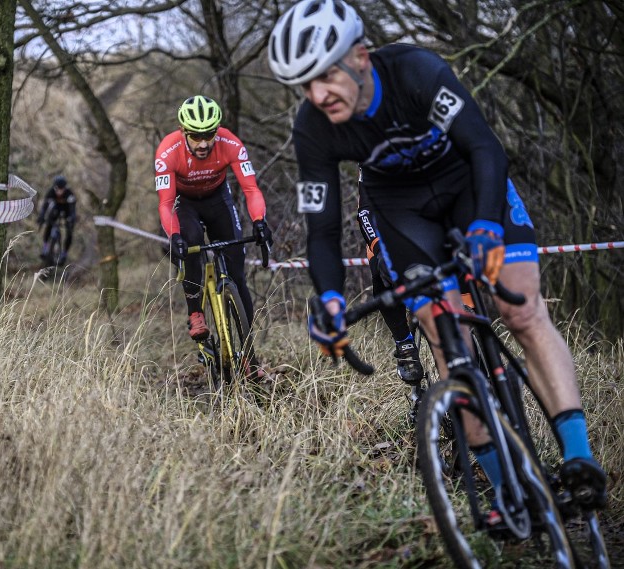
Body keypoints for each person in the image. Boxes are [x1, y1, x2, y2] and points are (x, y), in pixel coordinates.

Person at [267, 0, 606, 513]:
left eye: (326, 76)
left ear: (359, 56)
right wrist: (331, 298)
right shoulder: (313, 126)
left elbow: (486, 148)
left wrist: (488, 226)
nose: (318, 95)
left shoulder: (415, 71)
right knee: (447, 337)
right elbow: (322, 229)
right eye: (305, 85)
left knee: (520, 308)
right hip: (403, 211)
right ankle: (504, 490)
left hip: (470, 184)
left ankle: (580, 459)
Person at [155, 95, 273, 376]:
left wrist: (259, 221)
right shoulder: (168, 151)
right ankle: (195, 311)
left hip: (218, 199)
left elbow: (251, 190)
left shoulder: (230, 143)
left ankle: (248, 352)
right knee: (191, 242)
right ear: (184, 132)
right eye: (196, 136)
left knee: (237, 273)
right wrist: (175, 236)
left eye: (209, 134)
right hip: (185, 204)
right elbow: (165, 203)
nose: (204, 143)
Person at [357, 202, 423, 385]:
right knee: (383, 271)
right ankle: (404, 342)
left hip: (429, 215)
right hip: (387, 219)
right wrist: (378, 248)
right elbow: (364, 212)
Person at [37, 175, 77, 266]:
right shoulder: (51, 192)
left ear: (65, 188)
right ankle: (45, 247)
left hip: (67, 210)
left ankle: (64, 253)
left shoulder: (69, 194)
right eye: (57, 189)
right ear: (54, 187)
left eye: (61, 189)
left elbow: (73, 211)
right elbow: (45, 206)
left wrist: (71, 219)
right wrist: (41, 216)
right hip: (56, 210)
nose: (59, 191)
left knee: (69, 231)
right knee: (49, 224)